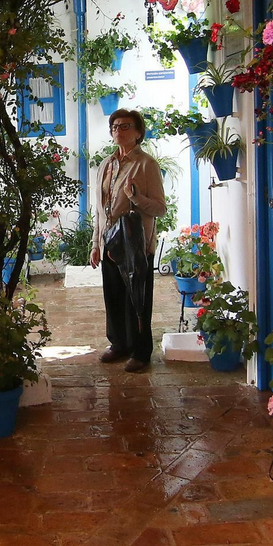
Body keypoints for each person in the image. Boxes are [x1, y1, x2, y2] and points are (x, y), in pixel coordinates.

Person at [90, 108, 167, 372]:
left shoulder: (147, 165)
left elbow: (159, 208)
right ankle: (119, 344)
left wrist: (134, 197)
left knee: (138, 300)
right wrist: (95, 244)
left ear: (138, 132)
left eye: (126, 126)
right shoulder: (106, 164)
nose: (119, 130)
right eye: (115, 126)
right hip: (110, 243)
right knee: (113, 297)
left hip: (135, 244)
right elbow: (99, 210)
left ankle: (141, 351)